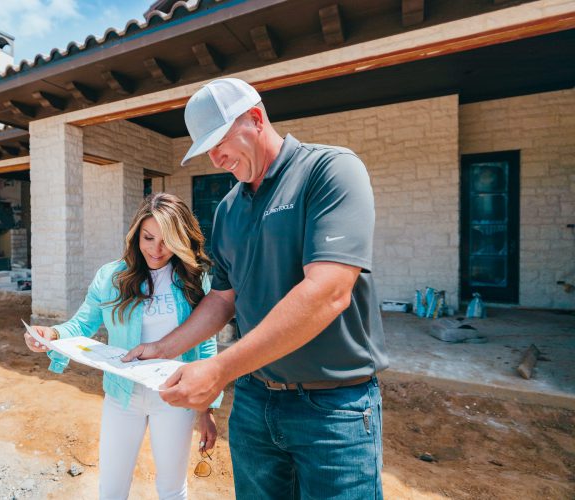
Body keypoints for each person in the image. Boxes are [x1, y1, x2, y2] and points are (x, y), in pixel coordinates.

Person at [123, 78, 389, 499]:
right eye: (206, 150)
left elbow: (329, 290)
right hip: (253, 403)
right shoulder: (228, 209)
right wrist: (165, 347)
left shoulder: (330, 171)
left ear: (255, 117)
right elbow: (222, 299)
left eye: (219, 142)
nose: (215, 158)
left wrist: (218, 370)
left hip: (333, 410)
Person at [24, 192, 222, 500]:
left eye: (167, 240)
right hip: (121, 397)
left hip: (174, 398)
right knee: (112, 489)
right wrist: (51, 333)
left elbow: (205, 345)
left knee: (172, 489)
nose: (156, 250)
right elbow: (82, 325)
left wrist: (206, 408)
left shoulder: (195, 279)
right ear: (136, 234)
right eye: (148, 237)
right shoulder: (112, 276)